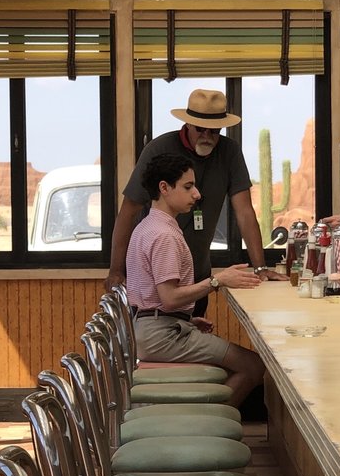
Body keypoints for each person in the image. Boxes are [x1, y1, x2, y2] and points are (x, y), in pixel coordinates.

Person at [108, 89, 286, 316]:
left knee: (193, 329)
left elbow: (244, 212)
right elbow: (128, 211)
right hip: (156, 286)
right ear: (188, 125)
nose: (207, 136)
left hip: (196, 274)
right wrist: (116, 270)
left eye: (214, 131)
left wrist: (260, 267)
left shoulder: (229, 151)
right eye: (200, 129)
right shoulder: (159, 149)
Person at [127, 153, 265, 407]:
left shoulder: (147, 226)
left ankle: (202, 417)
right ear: (164, 188)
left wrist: (185, 319)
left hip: (151, 328)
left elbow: (155, 297)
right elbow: (169, 298)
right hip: (161, 336)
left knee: (235, 364)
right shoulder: (164, 235)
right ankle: (209, 422)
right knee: (253, 366)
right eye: (188, 187)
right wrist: (217, 281)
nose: (197, 194)